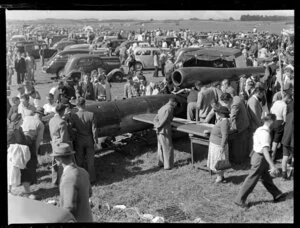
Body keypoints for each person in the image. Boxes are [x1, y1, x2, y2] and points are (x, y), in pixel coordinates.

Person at [234, 113, 288, 208]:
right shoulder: (265, 133)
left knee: (266, 178)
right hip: (260, 158)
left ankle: (277, 195)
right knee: (252, 179)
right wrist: (272, 165)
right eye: (275, 122)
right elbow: (265, 151)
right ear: (271, 121)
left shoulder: (259, 129)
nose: (276, 124)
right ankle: (239, 200)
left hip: (257, 156)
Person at [51, 143, 93, 222]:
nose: (55, 160)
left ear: (59, 159)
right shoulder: (83, 171)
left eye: (55, 158)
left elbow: (69, 207)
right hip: (88, 218)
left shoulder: (68, 178)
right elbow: (89, 193)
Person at [70, 97, 98, 184]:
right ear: (84, 104)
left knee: (79, 160)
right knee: (90, 160)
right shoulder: (91, 114)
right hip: (89, 139)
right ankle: (92, 179)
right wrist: (96, 141)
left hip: (79, 140)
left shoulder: (74, 116)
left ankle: (81, 179)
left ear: (77, 106)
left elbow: (72, 128)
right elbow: (94, 130)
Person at [219, 93, 250, 163]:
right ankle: (240, 160)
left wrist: (225, 123)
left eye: (226, 102)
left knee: (238, 145)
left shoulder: (235, 104)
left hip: (241, 125)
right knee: (242, 144)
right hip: (244, 123)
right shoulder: (236, 97)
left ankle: (238, 161)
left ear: (230, 99)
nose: (225, 103)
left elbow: (232, 117)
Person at [49, 104, 72, 187]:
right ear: (63, 111)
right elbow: (64, 138)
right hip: (60, 145)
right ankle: (61, 182)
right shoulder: (62, 122)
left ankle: (54, 181)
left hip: (53, 143)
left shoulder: (51, 120)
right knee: (62, 164)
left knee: (54, 163)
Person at [207, 106, 231, 183]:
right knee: (218, 161)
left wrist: (222, 146)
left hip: (218, 145)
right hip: (215, 144)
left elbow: (225, 135)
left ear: (222, 113)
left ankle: (219, 178)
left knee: (218, 162)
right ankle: (221, 176)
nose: (216, 113)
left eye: (218, 112)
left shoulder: (224, 122)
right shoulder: (221, 120)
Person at [153, 97, 178, 170]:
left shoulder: (162, 107)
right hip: (164, 130)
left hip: (159, 130)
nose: (176, 106)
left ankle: (161, 163)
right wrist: (159, 126)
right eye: (176, 104)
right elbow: (164, 119)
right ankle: (168, 166)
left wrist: (156, 125)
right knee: (167, 147)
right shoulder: (169, 108)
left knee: (160, 147)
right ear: (174, 102)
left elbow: (155, 119)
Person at [270, 93, 291, 162]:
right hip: (279, 122)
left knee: (271, 140)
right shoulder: (284, 105)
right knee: (275, 142)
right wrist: (285, 122)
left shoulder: (275, 102)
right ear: (286, 98)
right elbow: (284, 115)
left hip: (272, 121)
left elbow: (271, 111)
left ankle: (269, 157)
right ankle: (272, 158)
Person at [247, 87, 265, 152]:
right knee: (253, 140)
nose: (263, 95)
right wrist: (260, 124)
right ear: (258, 93)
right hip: (254, 125)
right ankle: (251, 154)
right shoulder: (253, 101)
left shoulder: (255, 100)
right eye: (263, 93)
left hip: (255, 124)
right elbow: (254, 115)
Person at [281, 110, 294, 180]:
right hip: (292, 140)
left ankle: (284, 176)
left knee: (285, 157)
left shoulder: (289, 114)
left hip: (285, 138)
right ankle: (291, 174)